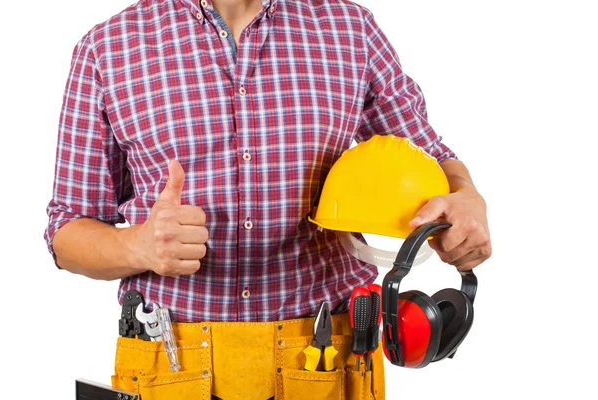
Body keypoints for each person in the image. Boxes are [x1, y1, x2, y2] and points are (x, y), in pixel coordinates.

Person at [44, 0, 491, 398]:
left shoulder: (350, 30)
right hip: (170, 361)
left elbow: (434, 164)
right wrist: (136, 245)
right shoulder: (107, 48)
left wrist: (467, 198)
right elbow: (67, 230)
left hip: (326, 361)